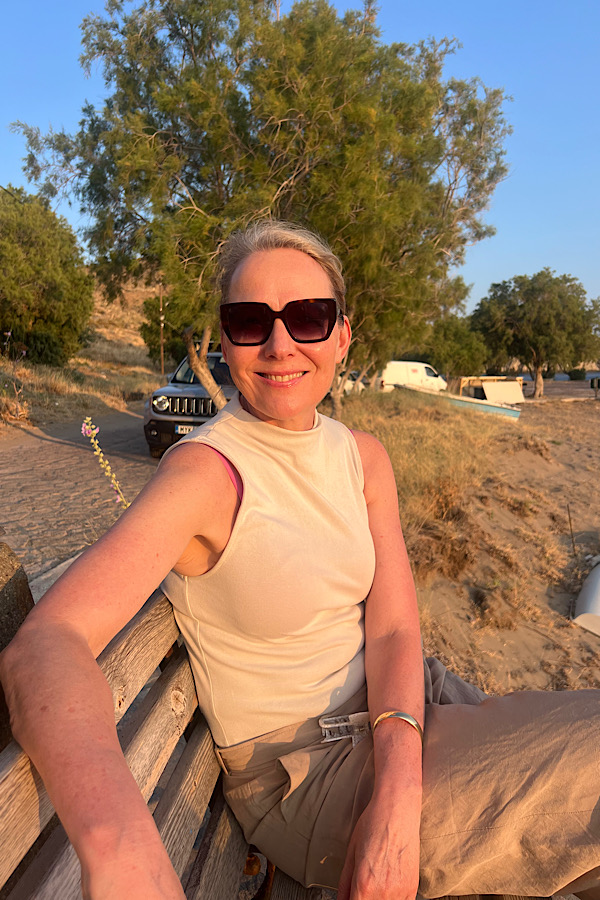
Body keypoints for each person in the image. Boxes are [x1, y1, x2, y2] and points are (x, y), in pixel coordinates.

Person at [1, 220, 600, 900]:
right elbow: (45, 644)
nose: (280, 344)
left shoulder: (362, 456)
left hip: (406, 710)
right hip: (311, 774)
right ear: (225, 340)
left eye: (308, 317)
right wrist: (120, 848)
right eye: (250, 321)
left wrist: (399, 788)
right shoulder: (206, 476)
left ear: (342, 335)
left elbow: (394, 628)